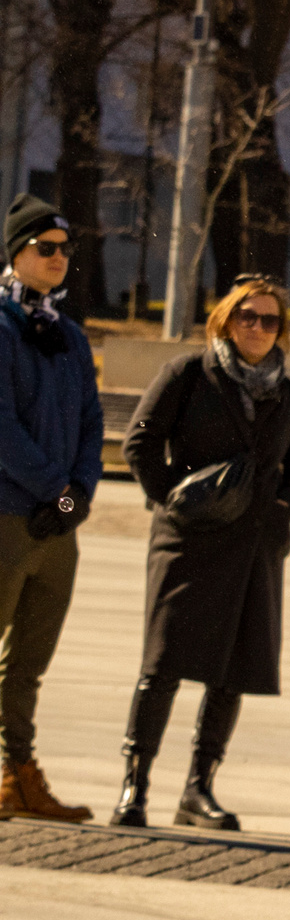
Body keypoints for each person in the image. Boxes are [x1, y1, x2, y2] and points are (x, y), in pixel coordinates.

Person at [115, 276, 290, 830]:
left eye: (269, 320)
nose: (257, 328)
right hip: (187, 542)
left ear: (282, 330)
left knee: (232, 671)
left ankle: (198, 789)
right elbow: (138, 442)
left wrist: (284, 510)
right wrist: (172, 501)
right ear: (225, 321)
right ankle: (134, 786)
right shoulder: (188, 374)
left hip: (254, 547)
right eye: (246, 317)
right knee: (161, 665)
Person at [0, 196, 101, 823]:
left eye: (65, 249)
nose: (59, 258)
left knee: (29, 662)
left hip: (57, 526)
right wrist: (52, 489)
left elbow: (91, 425)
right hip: (9, 515)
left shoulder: (69, 335)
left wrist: (77, 495)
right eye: (46, 248)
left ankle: (18, 775)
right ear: (16, 253)